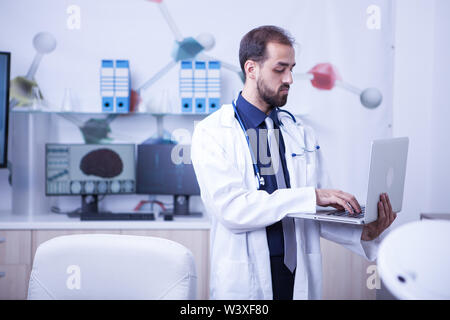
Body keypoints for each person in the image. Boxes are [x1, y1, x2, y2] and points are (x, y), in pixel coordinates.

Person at [191, 25, 396, 300]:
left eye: (292, 68)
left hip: (298, 274)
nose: (289, 78)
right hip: (245, 278)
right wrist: (310, 196)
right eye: (280, 69)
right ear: (251, 69)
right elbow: (231, 209)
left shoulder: (298, 132)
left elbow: (316, 212)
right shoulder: (213, 132)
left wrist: (365, 232)